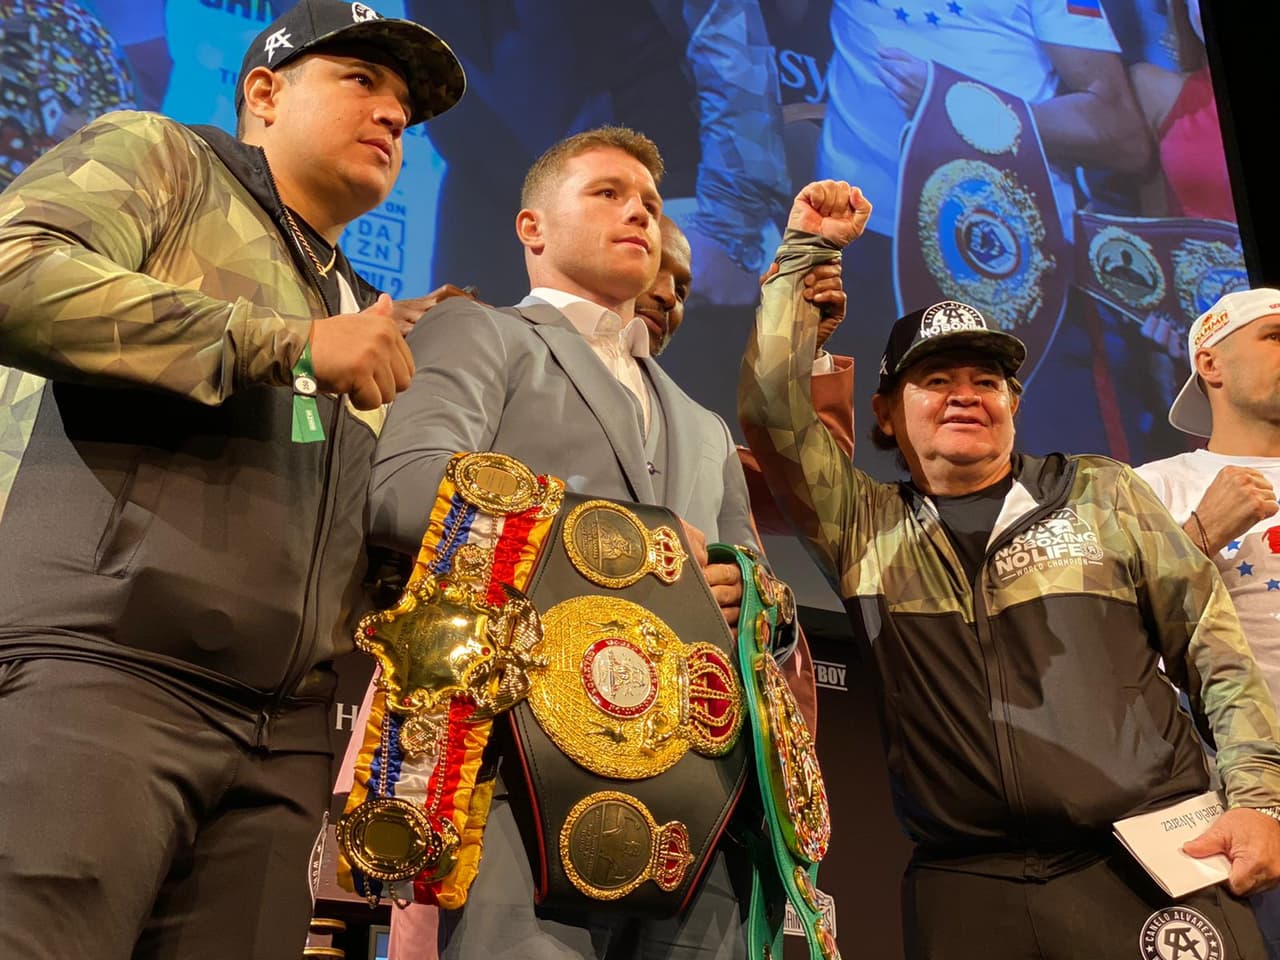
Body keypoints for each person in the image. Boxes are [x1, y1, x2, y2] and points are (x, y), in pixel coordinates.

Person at [0, 2, 465, 958]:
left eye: (405, 108)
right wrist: (286, 346)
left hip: (281, 735)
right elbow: (15, 272)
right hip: (108, 678)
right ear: (264, 92)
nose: (392, 115)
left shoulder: (349, 297)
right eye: (361, 80)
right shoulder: (162, 154)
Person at [739, 179, 1280, 959]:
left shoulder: (1101, 491)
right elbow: (773, 409)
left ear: (1014, 401)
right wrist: (806, 256)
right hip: (968, 886)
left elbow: (1214, 651)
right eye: (936, 381)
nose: (966, 396)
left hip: (1151, 859)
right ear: (886, 413)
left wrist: (1260, 799)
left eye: (986, 381)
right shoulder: (864, 527)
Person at [365, 126, 769, 960]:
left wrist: (738, 587)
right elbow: (409, 492)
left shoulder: (702, 426)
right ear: (532, 229)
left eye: (652, 205)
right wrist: (643, 545)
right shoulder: (481, 335)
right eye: (608, 194)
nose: (640, 215)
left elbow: (757, 590)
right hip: (522, 775)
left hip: (700, 810)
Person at [1138, 287, 1280, 959]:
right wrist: (1195, 537)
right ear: (1211, 365)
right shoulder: (1151, 488)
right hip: (1232, 806)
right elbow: (1102, 639)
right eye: (1276, 335)